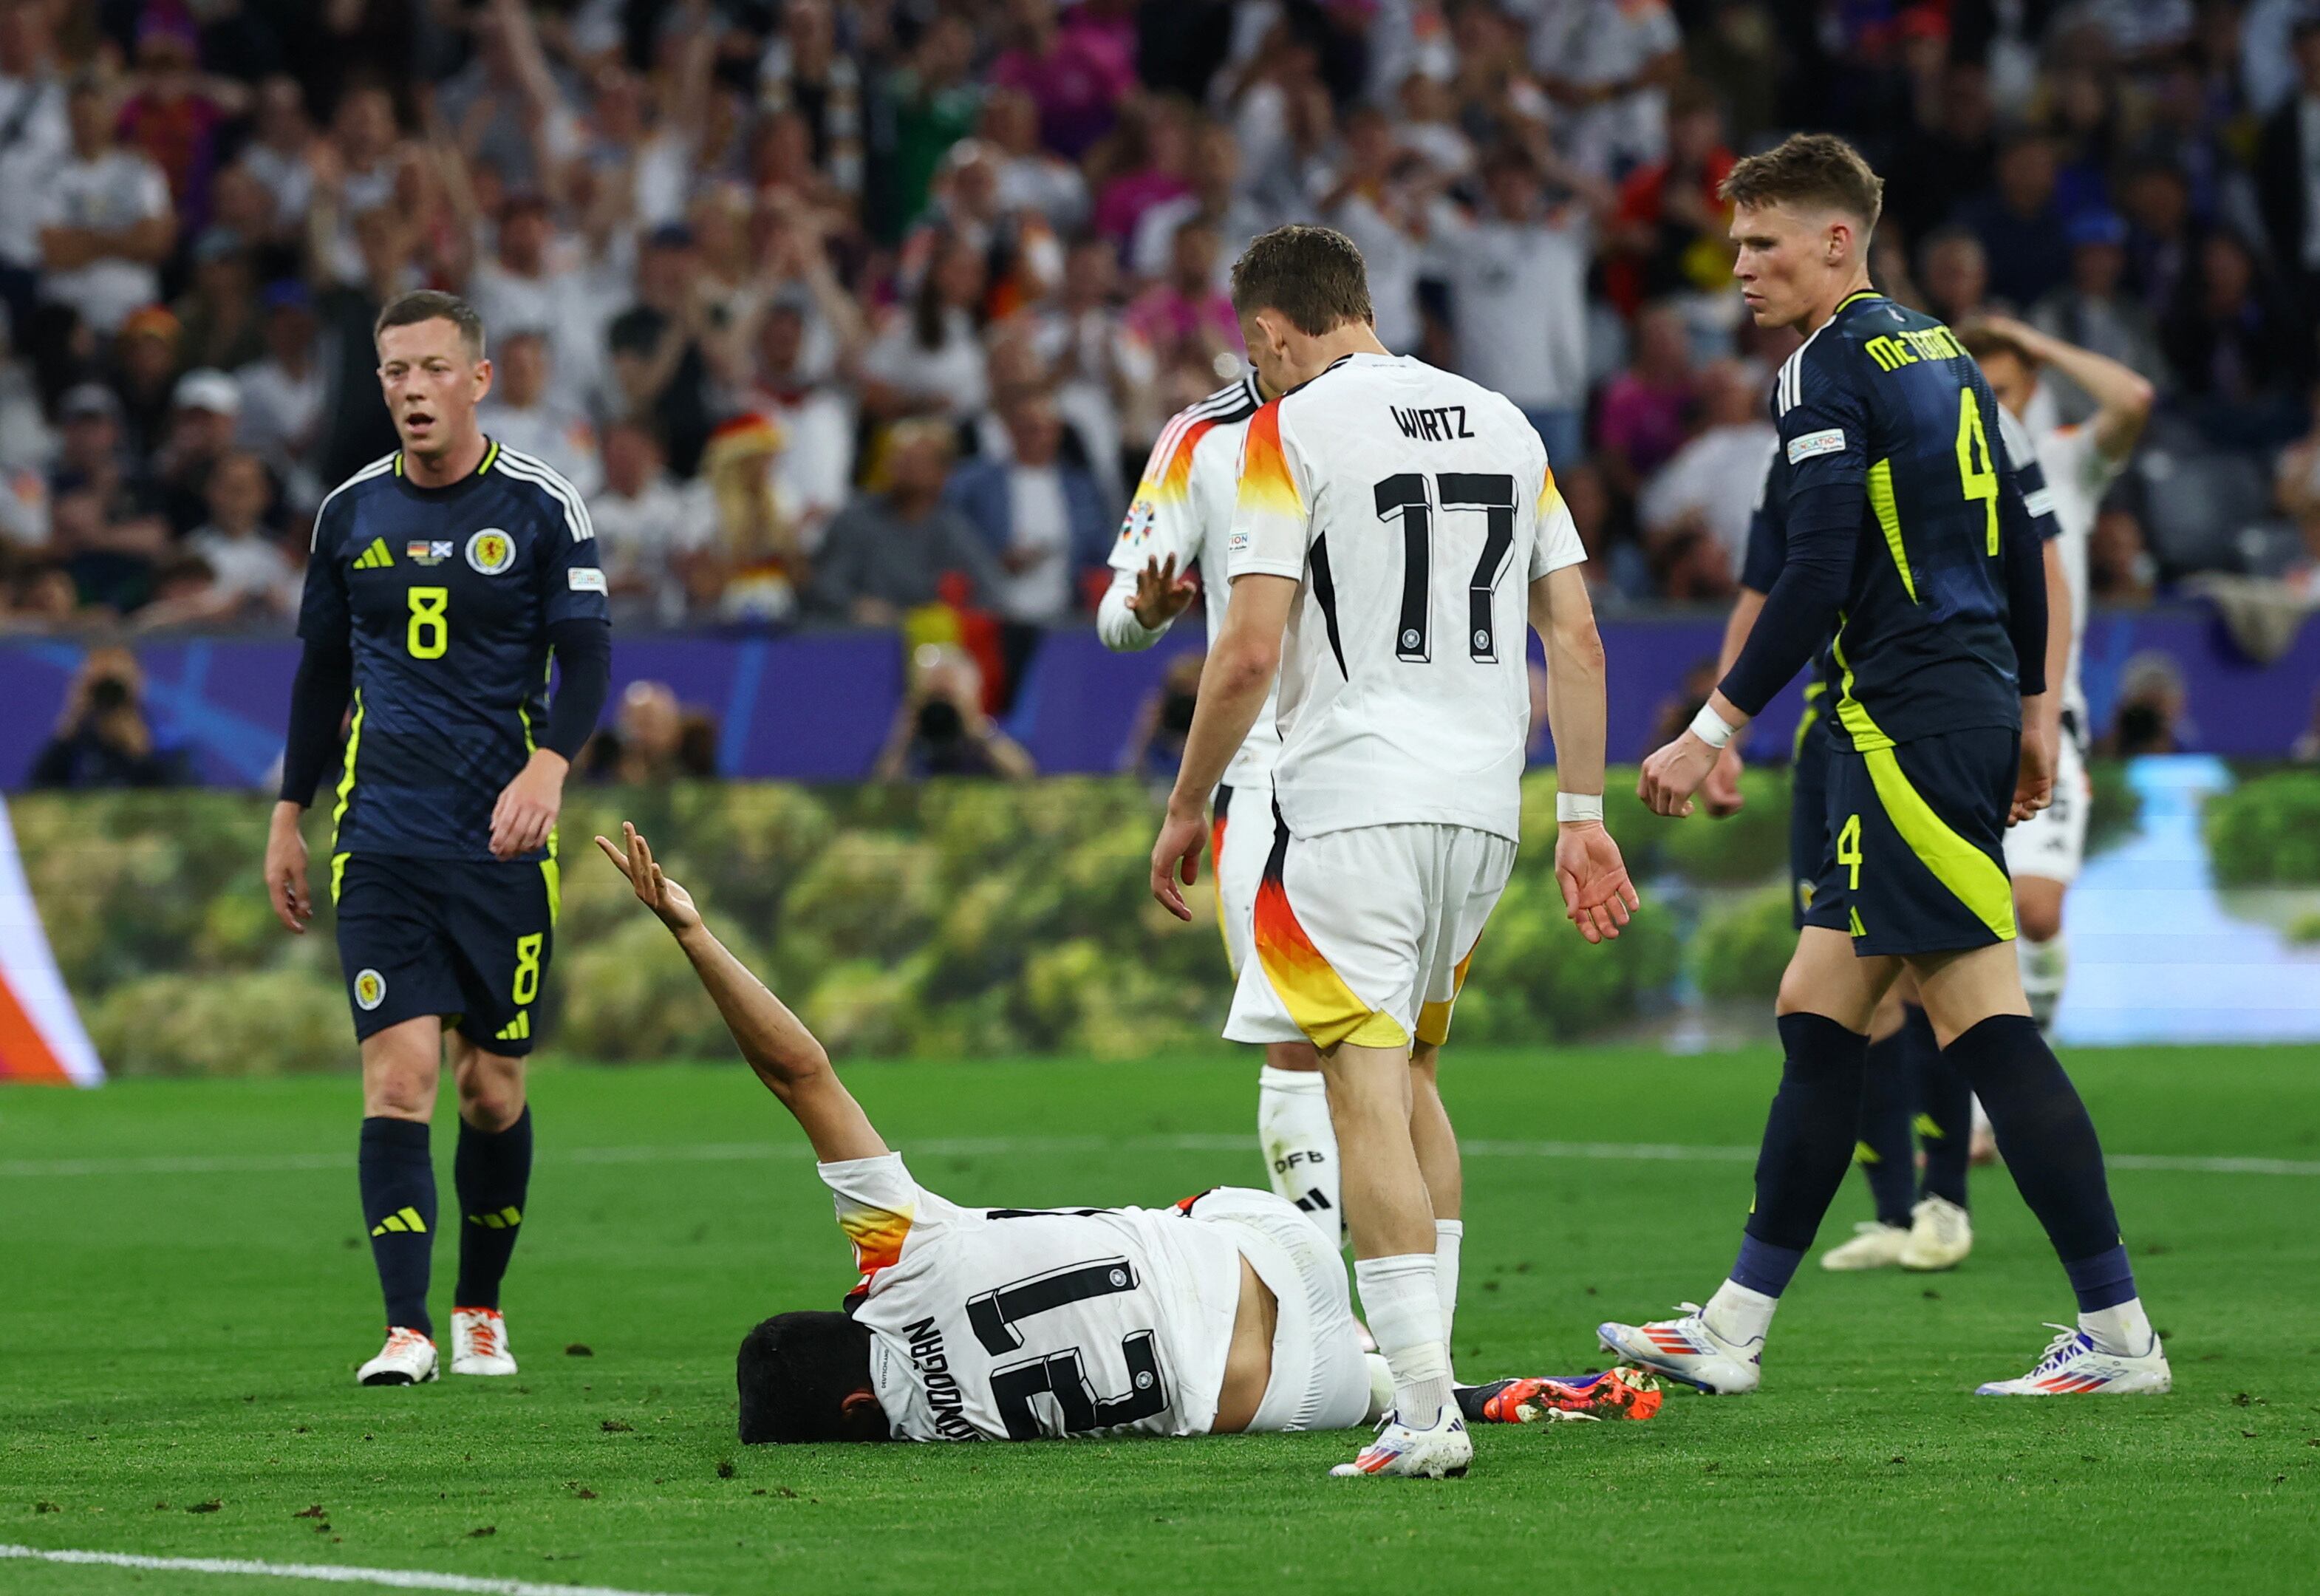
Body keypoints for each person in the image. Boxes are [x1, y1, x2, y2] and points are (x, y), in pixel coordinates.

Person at [1605, 134, 2167, 1400]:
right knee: (1817, 1014)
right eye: (1738, 244)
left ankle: (2123, 1338)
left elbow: (1814, 570)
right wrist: (2029, 700)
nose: (1740, 268)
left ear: (1836, 241)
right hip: (1953, 705)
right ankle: (1735, 1328)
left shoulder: (1826, 369)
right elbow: (2026, 540)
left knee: (1986, 1026)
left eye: (1762, 243)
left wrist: (1714, 724)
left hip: (1898, 726)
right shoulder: (1947, 354)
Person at [593, 821, 1662, 1445]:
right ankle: (1428, 1352)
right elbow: (798, 1071)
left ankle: (1413, 1382)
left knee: (1203, 1359)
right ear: (853, 1316)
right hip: (1275, 1252)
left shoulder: (936, 1436)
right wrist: (692, 931)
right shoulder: (897, 1262)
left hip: (1297, 1401)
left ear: (857, 1414)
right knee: (1207, 1202)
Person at [1147, 225, 1638, 1479]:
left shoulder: (1285, 432)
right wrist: (1583, 818)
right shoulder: (1506, 424)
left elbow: (1248, 652)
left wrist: (1188, 803)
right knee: (1414, 1076)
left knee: (1356, 1083)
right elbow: (1575, 644)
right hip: (1482, 808)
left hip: (1349, 802)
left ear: (1269, 336)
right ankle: (1432, 1380)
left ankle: (1423, 1413)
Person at [264, 291, 612, 1389]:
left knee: (490, 1090)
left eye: (429, 369)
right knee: (400, 1078)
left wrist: (550, 766)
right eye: (392, 373)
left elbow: (588, 658)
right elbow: (322, 673)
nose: (410, 390)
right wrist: (290, 810)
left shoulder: (545, 505)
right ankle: (406, 1329)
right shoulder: (348, 516)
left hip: (501, 850)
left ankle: (481, 1307)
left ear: (478, 378)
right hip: (381, 841)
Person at [1095, 364, 1350, 1239]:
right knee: (1297, 1036)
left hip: (1387, 767)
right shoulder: (1201, 439)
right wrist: (1150, 610)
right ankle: (1331, 1297)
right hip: (1269, 774)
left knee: (1399, 1054)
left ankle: (1410, 1315)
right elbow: (1116, 619)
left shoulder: (1395, 411)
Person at [1962, 318, 2154, 1035]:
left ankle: (2032, 1037)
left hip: (2043, 722)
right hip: (1955, 722)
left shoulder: (2061, 462)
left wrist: (2035, 340)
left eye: (2004, 389)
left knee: (2034, 911)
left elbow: (2132, 398)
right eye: (1976, 391)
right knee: (1961, 922)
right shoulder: (1938, 479)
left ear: (2032, 387)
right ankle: (1974, 1106)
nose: (1990, 407)